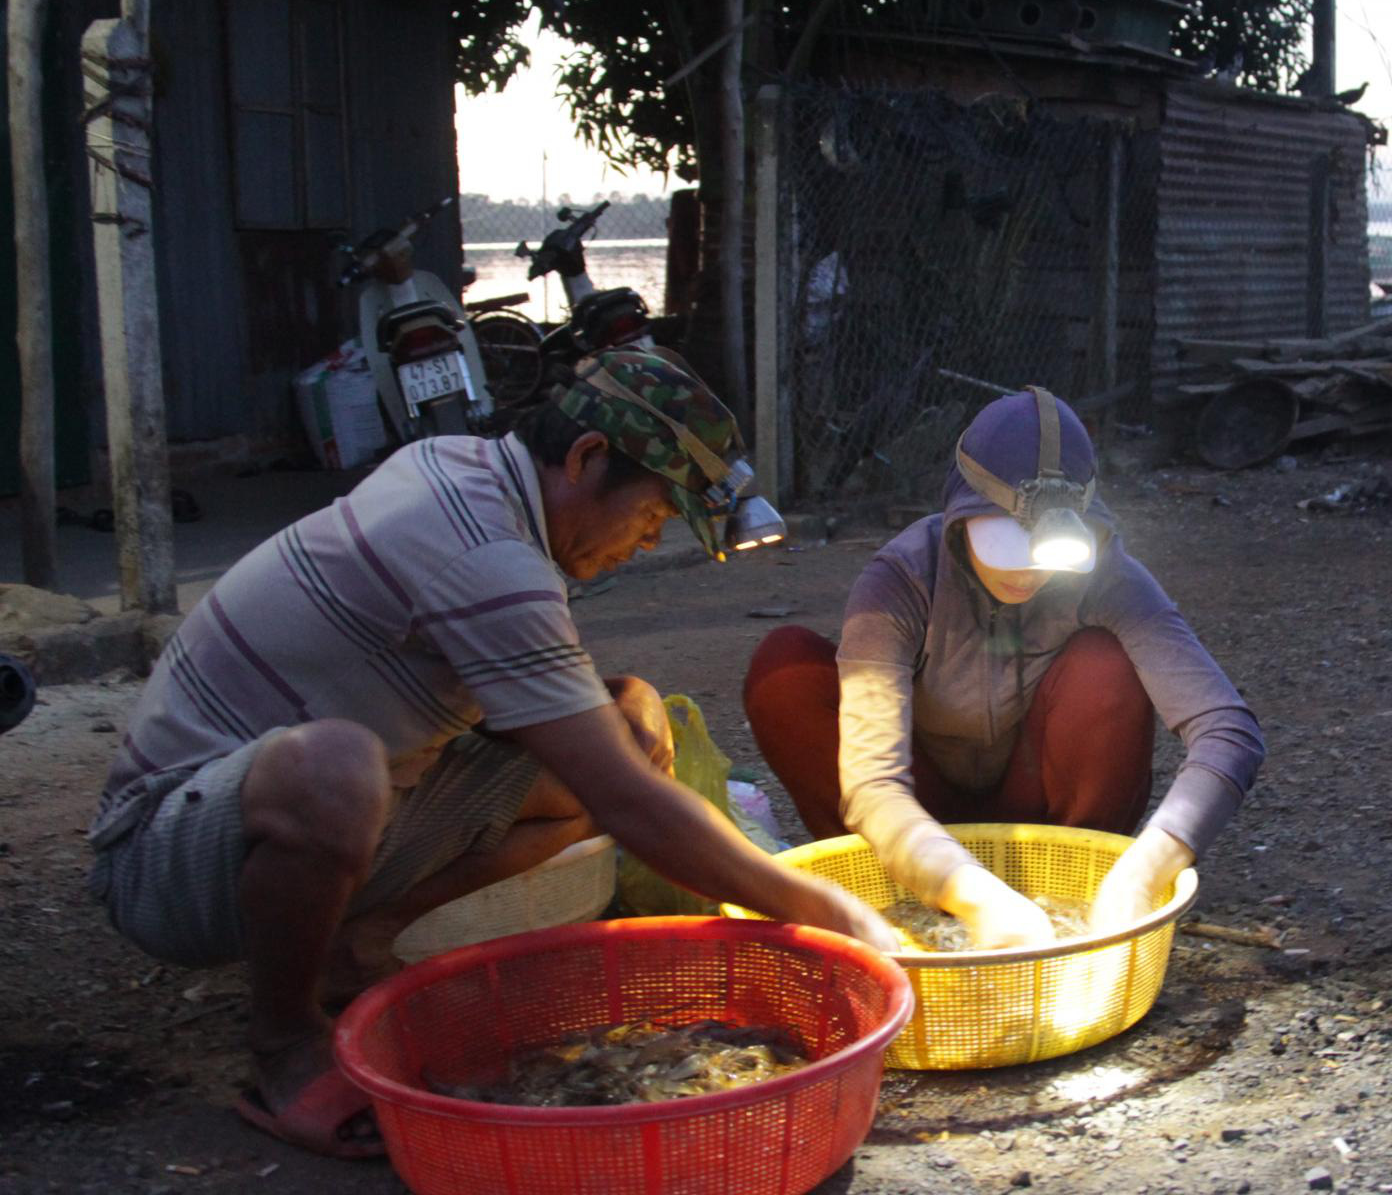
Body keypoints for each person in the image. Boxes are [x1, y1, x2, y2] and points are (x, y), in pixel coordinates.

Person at [86, 346, 893, 1159]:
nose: (650, 542)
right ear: (585, 459)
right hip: (161, 849)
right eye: (652, 515)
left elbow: (557, 729)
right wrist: (830, 912)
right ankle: (285, 1042)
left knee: (600, 751)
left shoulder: (464, 471)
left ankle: (347, 952)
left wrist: (629, 702)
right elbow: (627, 802)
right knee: (339, 768)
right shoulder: (484, 550)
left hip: (293, 804)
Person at [743, 387, 1264, 948]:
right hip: (919, 807)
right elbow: (874, 783)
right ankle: (894, 881)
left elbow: (1227, 730)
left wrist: (1143, 871)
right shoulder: (903, 578)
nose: (1028, 575)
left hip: (1043, 811)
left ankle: (1079, 887)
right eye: (1006, 545)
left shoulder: (1108, 574)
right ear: (959, 514)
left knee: (1105, 666)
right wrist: (972, 893)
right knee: (786, 670)